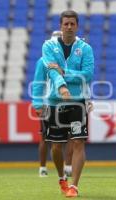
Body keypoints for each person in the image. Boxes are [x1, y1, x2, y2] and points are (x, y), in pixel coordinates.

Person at [38, 10, 94, 197]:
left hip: (78, 102)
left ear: (77, 26)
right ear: (60, 26)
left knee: (78, 142)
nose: (69, 27)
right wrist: (62, 87)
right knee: (55, 146)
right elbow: (51, 71)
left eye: (72, 24)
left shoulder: (85, 48)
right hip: (55, 102)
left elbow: (87, 75)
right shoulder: (48, 46)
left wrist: (65, 73)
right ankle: (62, 177)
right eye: (66, 24)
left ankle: (74, 186)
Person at [32, 31, 73, 178]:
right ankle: (43, 167)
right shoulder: (43, 61)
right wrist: (38, 103)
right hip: (49, 103)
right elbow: (38, 83)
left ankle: (68, 166)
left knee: (69, 135)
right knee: (46, 136)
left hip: (67, 101)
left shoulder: (68, 59)